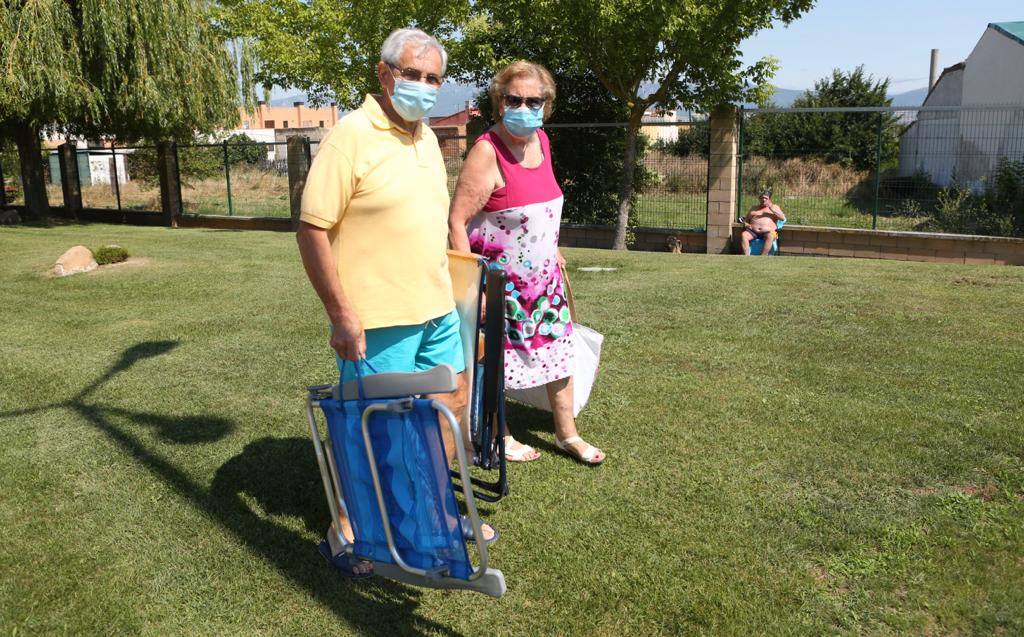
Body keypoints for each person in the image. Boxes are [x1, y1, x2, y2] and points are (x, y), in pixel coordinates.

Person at [296, 27, 494, 578]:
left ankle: (426, 514)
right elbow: (312, 229)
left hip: (435, 312)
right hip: (377, 320)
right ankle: (351, 533)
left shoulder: (428, 138)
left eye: (434, 78)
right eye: (414, 75)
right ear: (385, 76)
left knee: (450, 407)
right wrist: (341, 315)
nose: (425, 87)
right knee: (369, 428)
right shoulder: (351, 137)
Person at [448, 60, 606, 466]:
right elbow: (456, 220)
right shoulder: (487, 152)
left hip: (544, 280)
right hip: (500, 285)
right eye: (514, 99)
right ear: (499, 103)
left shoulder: (543, 142)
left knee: (559, 353)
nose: (524, 106)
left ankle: (568, 433)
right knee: (495, 362)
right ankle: (501, 434)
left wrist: (551, 246)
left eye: (533, 100)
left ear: (546, 104)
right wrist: (472, 286)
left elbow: (541, 203)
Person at [740, 189, 786, 255]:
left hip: (768, 231)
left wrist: (771, 208)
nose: (763, 199)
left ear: (769, 199)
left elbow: (782, 218)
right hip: (753, 231)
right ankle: (746, 256)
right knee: (744, 235)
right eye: (761, 198)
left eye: (766, 198)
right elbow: (746, 220)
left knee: (770, 236)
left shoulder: (775, 207)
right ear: (759, 199)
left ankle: (762, 257)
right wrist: (746, 224)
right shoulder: (754, 208)